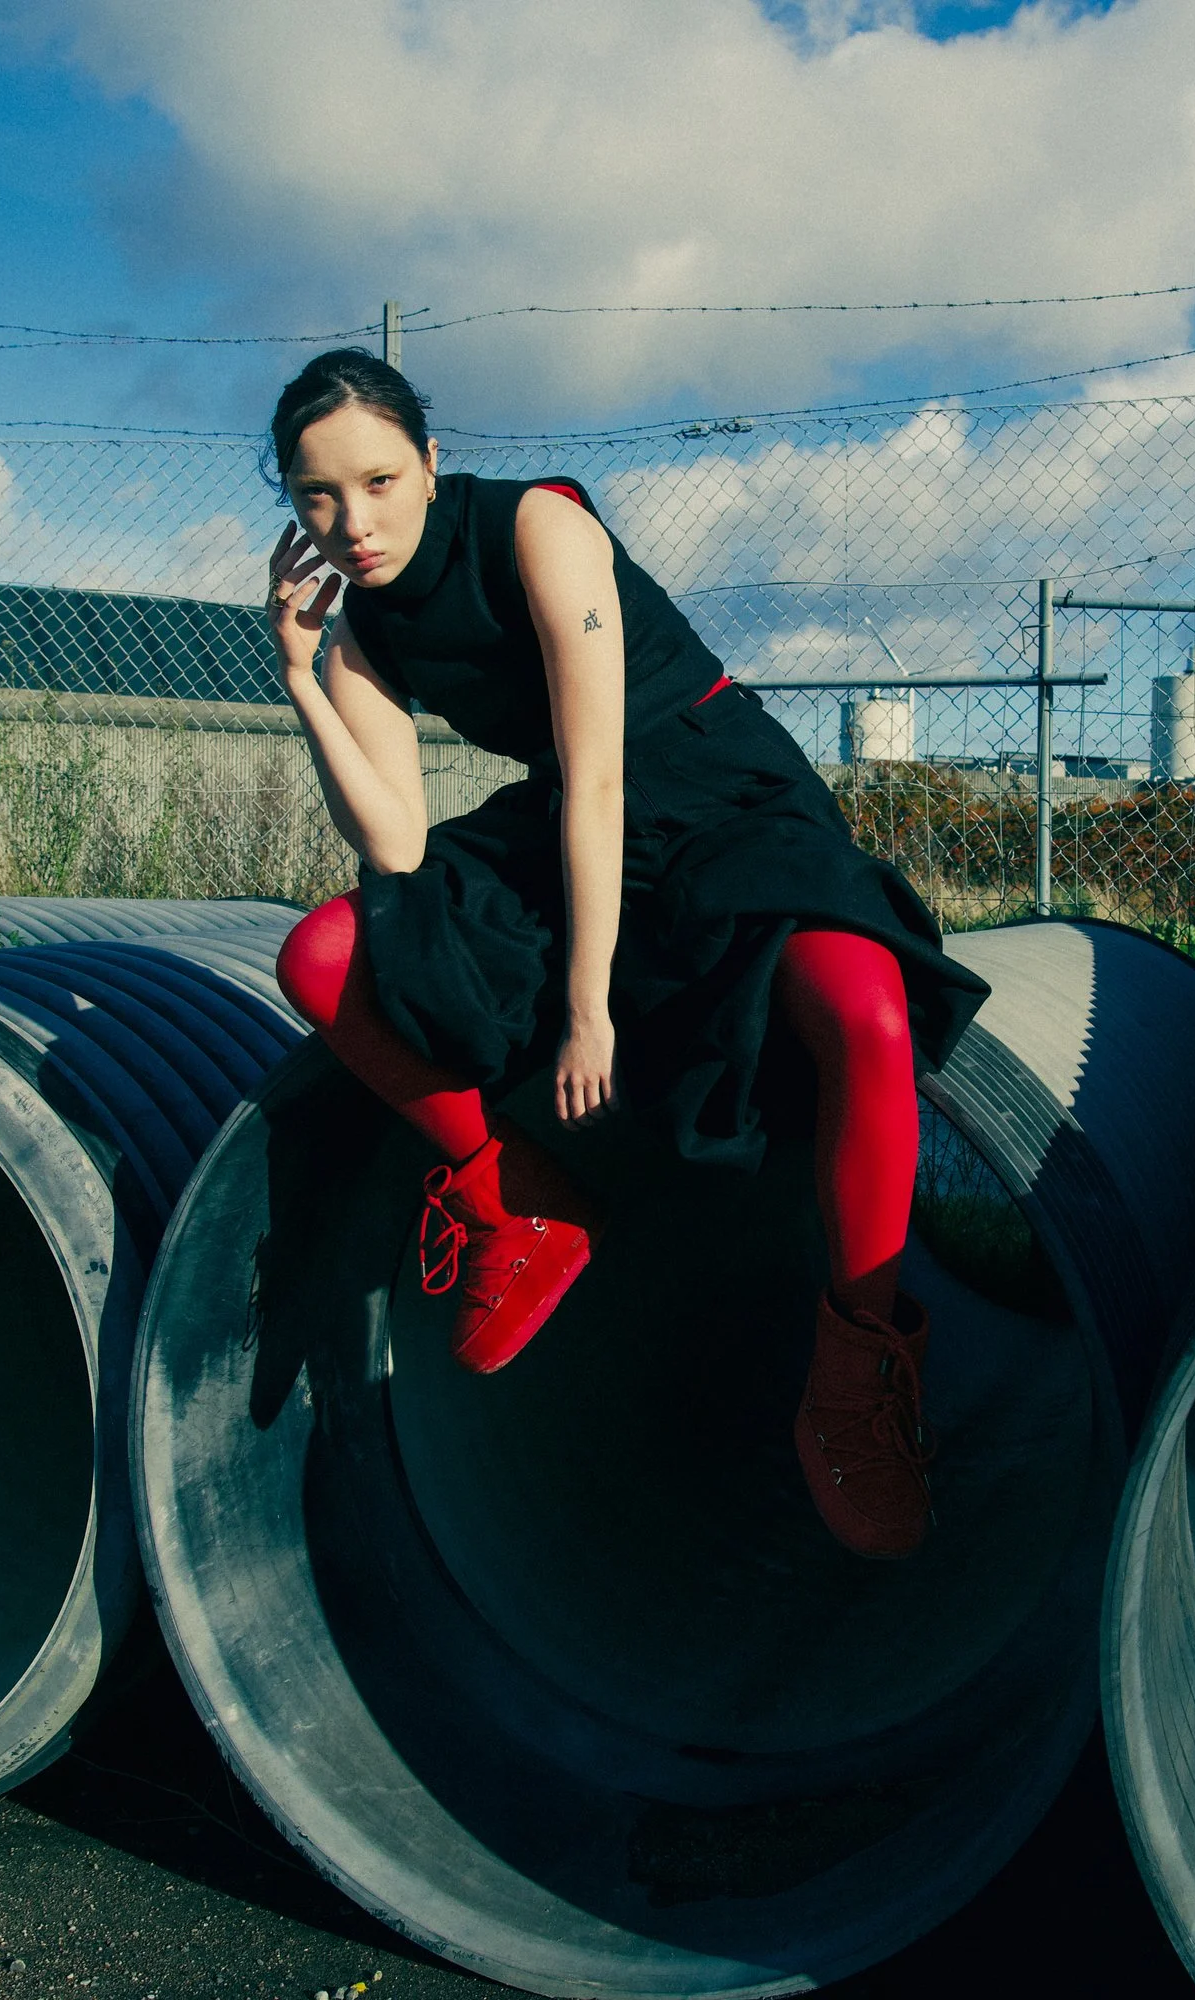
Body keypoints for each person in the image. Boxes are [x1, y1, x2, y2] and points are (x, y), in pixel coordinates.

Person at [264, 350, 988, 1559]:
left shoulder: (540, 526)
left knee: (861, 1008)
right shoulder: (359, 630)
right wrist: (302, 671)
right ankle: (520, 1200)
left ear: (432, 462)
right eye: (316, 497)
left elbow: (601, 774)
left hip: (712, 792)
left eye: (379, 479)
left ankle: (856, 1359)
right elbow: (391, 843)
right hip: (570, 822)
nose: (354, 522)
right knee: (327, 954)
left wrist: (587, 1006)